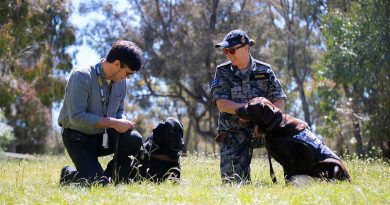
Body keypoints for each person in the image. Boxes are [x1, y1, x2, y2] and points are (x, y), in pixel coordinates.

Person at [58, 40, 144, 186]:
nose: (127, 78)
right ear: (117, 64)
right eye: (128, 73)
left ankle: (110, 176)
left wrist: (121, 122)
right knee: (97, 184)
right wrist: (113, 123)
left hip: (103, 136)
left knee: (134, 138)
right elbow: (76, 117)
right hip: (78, 139)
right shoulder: (82, 76)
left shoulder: (121, 82)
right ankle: (69, 175)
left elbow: (118, 111)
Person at [210, 29, 287, 184]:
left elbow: (279, 102)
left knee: (291, 134)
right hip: (234, 132)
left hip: (264, 130)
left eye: (232, 50)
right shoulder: (222, 71)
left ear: (246, 48)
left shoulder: (264, 70)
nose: (228, 54)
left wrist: (264, 124)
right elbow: (222, 105)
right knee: (233, 184)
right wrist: (251, 112)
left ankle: (297, 177)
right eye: (225, 51)